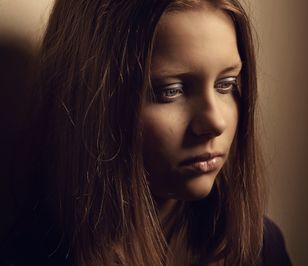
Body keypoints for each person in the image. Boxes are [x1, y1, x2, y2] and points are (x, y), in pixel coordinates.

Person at [0, 0, 291, 265]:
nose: (215, 123)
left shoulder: (260, 247)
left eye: (225, 84)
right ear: (96, 103)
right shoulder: (30, 256)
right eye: (171, 91)